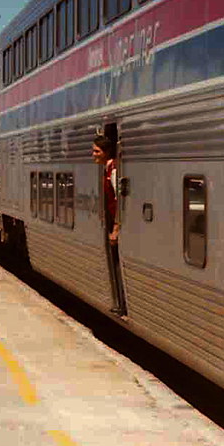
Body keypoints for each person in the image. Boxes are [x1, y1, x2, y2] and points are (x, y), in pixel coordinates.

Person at [92, 134, 125, 315]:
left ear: (106, 152)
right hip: (113, 221)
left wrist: (116, 229)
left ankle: (122, 304)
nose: (93, 154)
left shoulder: (113, 171)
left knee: (118, 261)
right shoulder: (107, 168)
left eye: (97, 151)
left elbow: (120, 201)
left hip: (117, 225)